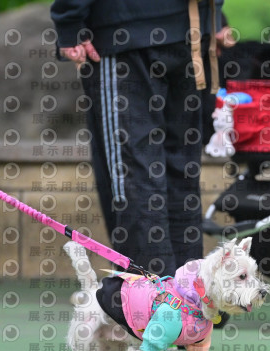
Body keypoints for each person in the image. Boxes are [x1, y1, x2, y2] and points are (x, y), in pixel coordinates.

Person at [50, 0, 222, 280]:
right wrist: (214, 17)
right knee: (180, 173)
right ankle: (187, 295)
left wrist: (69, 22)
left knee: (133, 175)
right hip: (190, 31)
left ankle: (151, 297)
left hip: (125, 33)